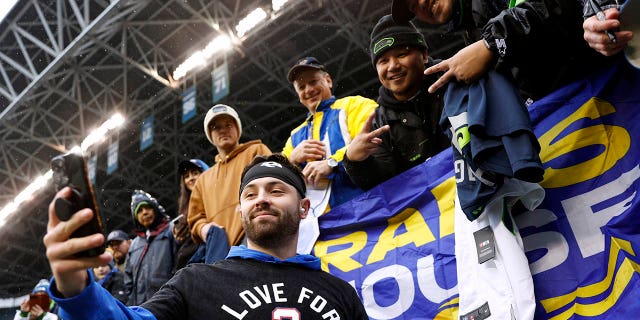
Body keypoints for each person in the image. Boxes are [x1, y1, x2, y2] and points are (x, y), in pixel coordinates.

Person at [43, 154, 369, 319]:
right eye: (250, 194)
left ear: (303, 207)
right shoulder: (196, 281)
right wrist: (76, 288)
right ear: (240, 211)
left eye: (276, 190)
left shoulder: (340, 293)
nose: (261, 199)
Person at [391, 0, 605, 104]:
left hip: (610, 88)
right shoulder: (470, 33)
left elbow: (553, 5)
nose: (421, 3)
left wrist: (491, 44)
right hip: (575, 119)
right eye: (412, 8)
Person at [343, 15, 450, 190]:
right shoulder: (379, 123)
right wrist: (355, 162)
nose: (392, 66)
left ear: (423, 55)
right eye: (383, 61)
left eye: (401, 54)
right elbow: (385, 188)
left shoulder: (454, 79)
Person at [283, 57, 378, 218]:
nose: (309, 90)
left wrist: (332, 163)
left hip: (367, 207)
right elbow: (277, 179)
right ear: (298, 95)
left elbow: (375, 138)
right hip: (319, 226)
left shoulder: (355, 105)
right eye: (302, 87)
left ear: (328, 81)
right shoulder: (294, 137)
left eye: (313, 82)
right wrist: (292, 160)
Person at [187, 104, 271, 263]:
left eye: (228, 125)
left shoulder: (256, 151)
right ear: (210, 135)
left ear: (238, 129)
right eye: (216, 127)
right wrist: (204, 229)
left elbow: (274, 184)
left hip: (255, 242)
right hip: (219, 254)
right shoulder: (203, 180)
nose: (223, 130)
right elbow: (195, 218)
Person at [124, 190, 176, 305]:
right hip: (141, 308)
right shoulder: (134, 245)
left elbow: (180, 266)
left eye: (148, 208)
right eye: (140, 211)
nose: (145, 213)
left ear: (155, 209)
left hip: (167, 305)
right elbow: (128, 279)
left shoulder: (171, 231)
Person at [173, 158, 208, 272]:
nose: (190, 178)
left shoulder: (214, 197)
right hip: (189, 263)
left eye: (195, 173)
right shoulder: (184, 208)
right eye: (186, 176)